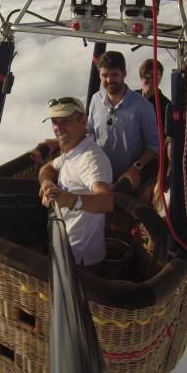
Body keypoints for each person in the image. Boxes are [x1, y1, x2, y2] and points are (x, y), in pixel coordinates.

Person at [37, 96, 114, 269]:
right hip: (64, 248)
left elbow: (106, 201)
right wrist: (48, 184)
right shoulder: (72, 151)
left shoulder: (91, 159)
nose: (58, 128)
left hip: (80, 260)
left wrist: (70, 200)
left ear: (83, 120)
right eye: (55, 122)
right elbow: (46, 169)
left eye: (66, 121)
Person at [87, 51, 161, 193]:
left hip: (128, 183)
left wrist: (136, 167)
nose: (109, 80)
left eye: (114, 75)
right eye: (104, 75)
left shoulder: (143, 106)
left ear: (124, 74)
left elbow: (154, 146)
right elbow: (90, 133)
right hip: (98, 178)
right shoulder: (96, 100)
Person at [139, 58, 171, 126]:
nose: (151, 80)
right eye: (147, 76)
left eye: (156, 76)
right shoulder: (130, 98)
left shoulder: (166, 106)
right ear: (141, 77)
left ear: (160, 79)